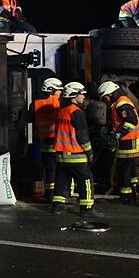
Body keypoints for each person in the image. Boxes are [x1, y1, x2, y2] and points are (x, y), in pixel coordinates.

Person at [51, 82, 100, 217]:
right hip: (75, 154)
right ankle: (87, 209)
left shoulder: (62, 111)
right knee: (86, 179)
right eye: (81, 94)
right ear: (74, 95)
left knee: (61, 180)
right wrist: (89, 151)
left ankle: (57, 206)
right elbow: (82, 135)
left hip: (60, 155)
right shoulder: (77, 113)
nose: (84, 96)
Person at [97, 81, 139, 203]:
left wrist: (117, 135)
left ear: (111, 94)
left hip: (130, 139)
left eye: (105, 97)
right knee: (129, 167)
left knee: (124, 168)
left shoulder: (121, 104)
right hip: (130, 138)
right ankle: (133, 193)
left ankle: (125, 197)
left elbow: (131, 121)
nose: (105, 100)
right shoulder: (119, 103)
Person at [28, 77, 63, 202]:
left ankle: (49, 195)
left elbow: (28, 119)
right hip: (58, 142)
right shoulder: (59, 103)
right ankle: (59, 194)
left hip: (43, 142)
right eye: (59, 90)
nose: (61, 93)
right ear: (52, 90)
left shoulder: (35, 104)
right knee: (59, 170)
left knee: (48, 169)